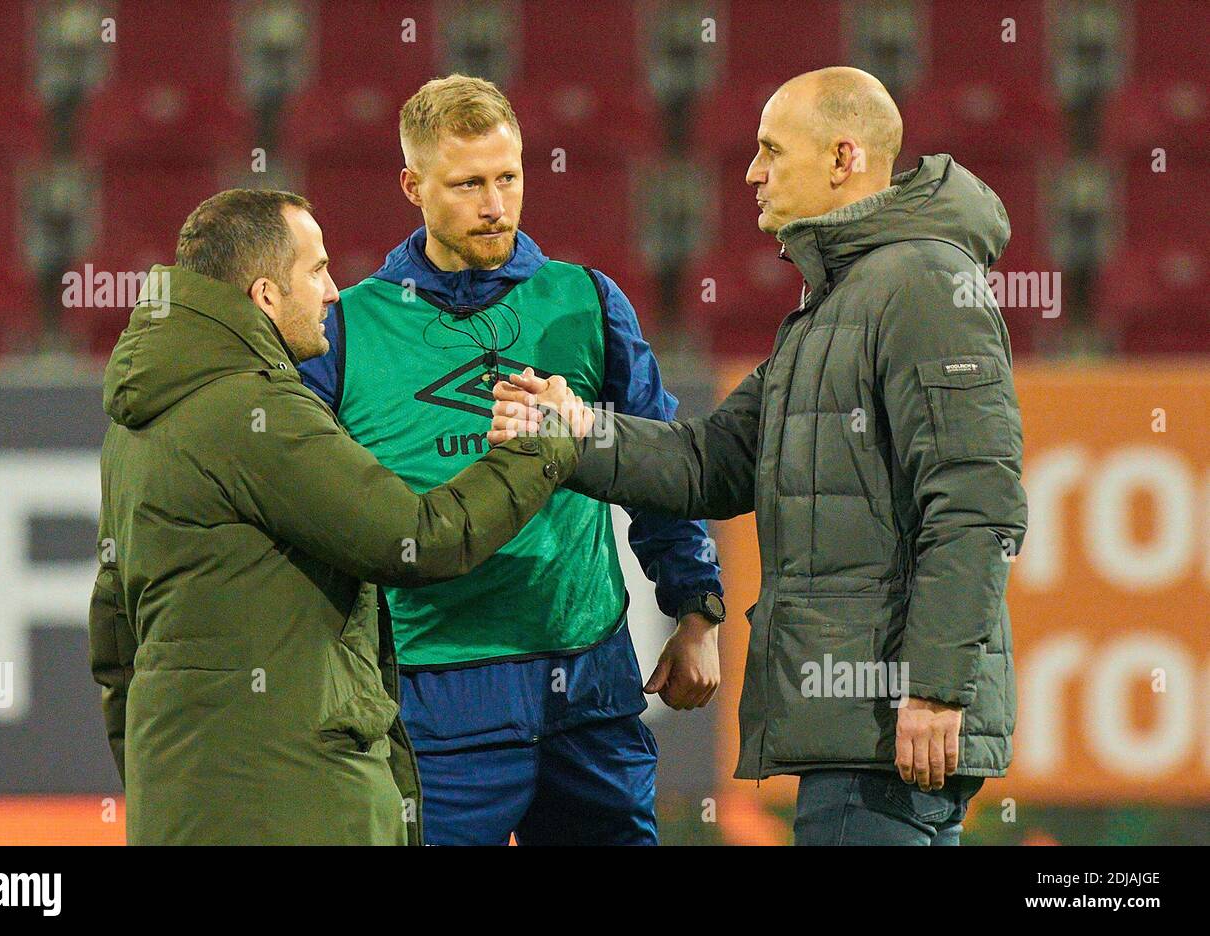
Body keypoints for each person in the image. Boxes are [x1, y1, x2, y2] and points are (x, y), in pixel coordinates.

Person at [493, 67, 1028, 846]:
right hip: (859, 730)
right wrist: (574, 431)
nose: (751, 172)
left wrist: (937, 691)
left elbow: (979, 504)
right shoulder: (840, 303)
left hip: (885, 728)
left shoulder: (923, 284)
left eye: (772, 150)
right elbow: (710, 462)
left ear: (844, 158)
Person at [299, 75, 723, 845]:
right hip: (433, 695)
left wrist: (696, 610)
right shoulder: (348, 329)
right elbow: (305, 506)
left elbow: (660, 465)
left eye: (508, 177)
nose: (495, 204)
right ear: (412, 186)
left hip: (588, 687)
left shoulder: (586, 301)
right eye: (467, 184)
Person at [89, 188, 587, 845]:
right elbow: (419, 539)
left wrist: (180, 784)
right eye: (317, 270)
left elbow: (115, 639)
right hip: (291, 807)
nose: (333, 292)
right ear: (265, 294)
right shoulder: (253, 414)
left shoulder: (138, 420)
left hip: (185, 804)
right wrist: (542, 446)